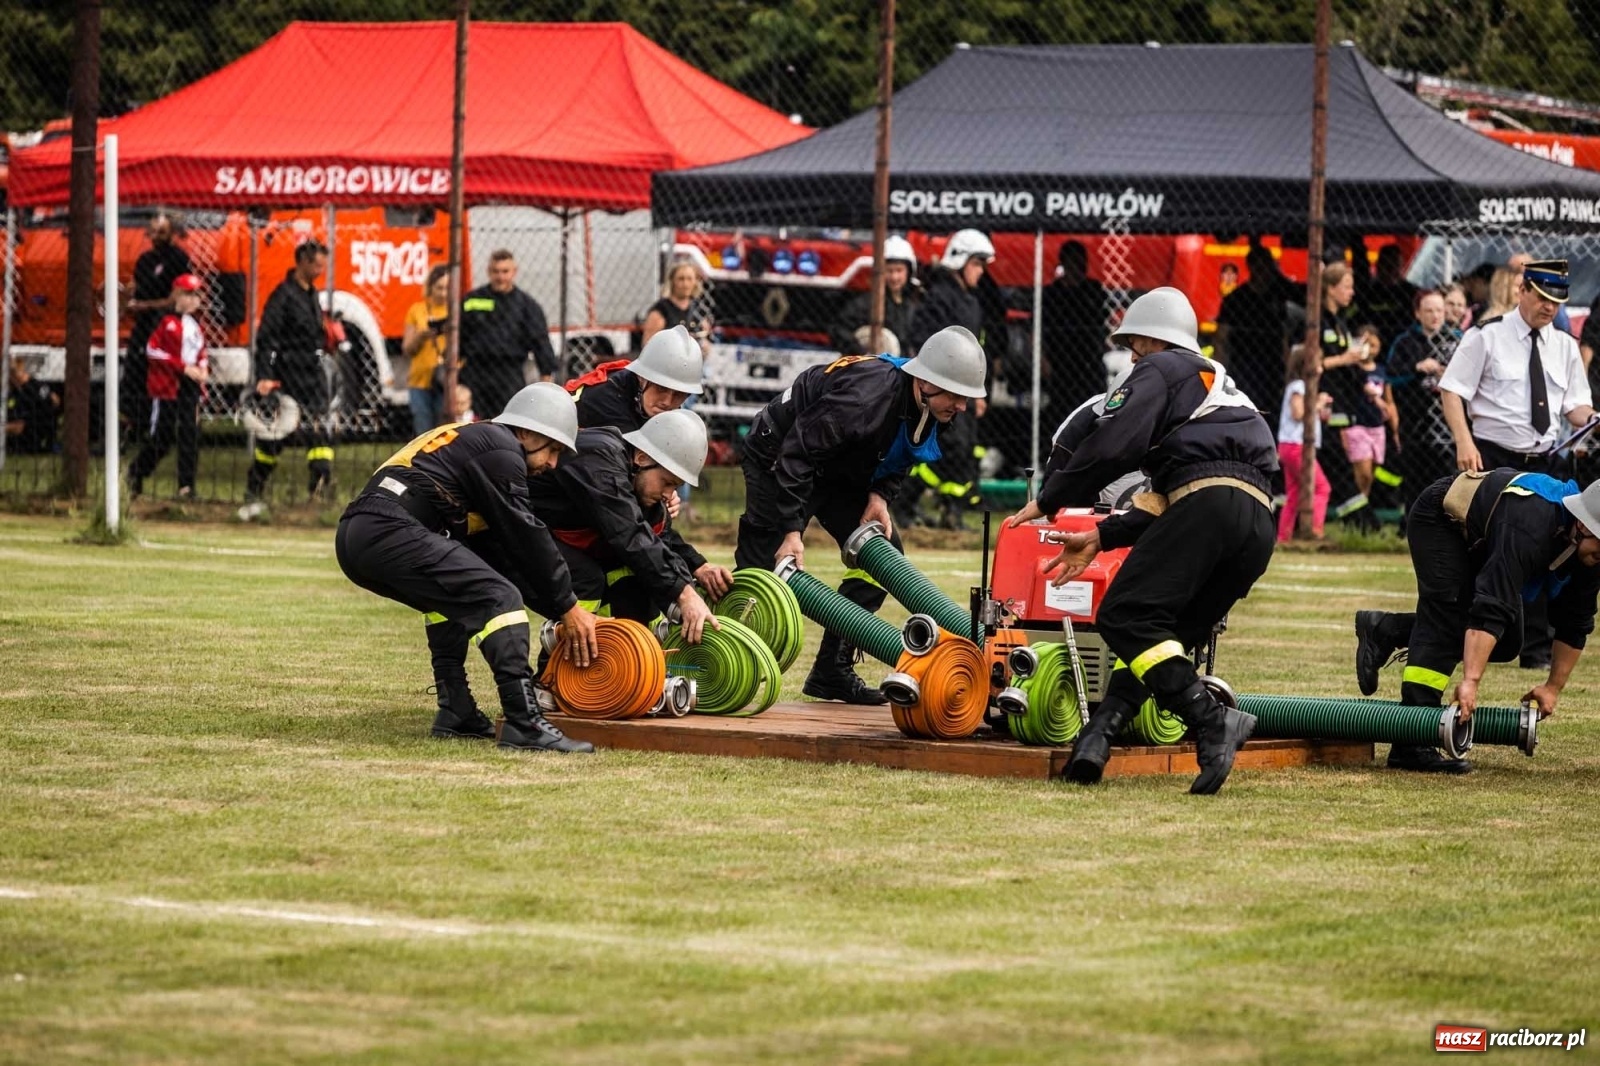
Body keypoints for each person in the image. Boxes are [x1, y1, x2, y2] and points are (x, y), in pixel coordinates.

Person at [1006, 287, 1278, 795]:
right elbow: (1169, 498)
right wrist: (1103, 535)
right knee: (1161, 638)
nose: (1131, 358)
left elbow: (1114, 441)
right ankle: (1099, 734)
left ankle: (1211, 720)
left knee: (1124, 616)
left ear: (1154, 340)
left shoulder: (1163, 368)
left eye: (1134, 346)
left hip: (1208, 506)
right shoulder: (1220, 395)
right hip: (1257, 524)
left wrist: (1052, 498)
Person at [335, 383, 596, 752]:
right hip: (388, 527)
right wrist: (569, 607)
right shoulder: (502, 450)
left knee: (454, 598)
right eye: (552, 448)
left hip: (360, 530)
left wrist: (556, 604)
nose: (553, 463)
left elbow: (503, 554)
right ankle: (525, 723)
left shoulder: (478, 442)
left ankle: (455, 711)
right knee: (500, 598)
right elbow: (525, 534)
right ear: (525, 431)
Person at [736, 326, 987, 703]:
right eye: (957, 395)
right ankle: (726, 664)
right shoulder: (866, 399)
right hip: (780, 457)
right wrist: (792, 531)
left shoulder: (931, 404)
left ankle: (831, 672)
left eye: (966, 397)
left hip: (837, 466)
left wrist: (880, 495)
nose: (962, 406)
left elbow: (907, 450)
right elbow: (798, 453)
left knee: (883, 557)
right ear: (925, 382)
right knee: (762, 571)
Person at [1353, 471, 1600, 773]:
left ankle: (1386, 630)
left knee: (1508, 641)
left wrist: (1553, 687)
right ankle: (1411, 743)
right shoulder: (1531, 528)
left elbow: (1576, 622)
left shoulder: (1589, 553)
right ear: (1583, 524)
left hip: (1483, 539)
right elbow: (1491, 606)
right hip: (1441, 519)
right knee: (1445, 620)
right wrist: (1471, 681)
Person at [1439, 259, 1595, 670]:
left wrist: (1594, 419)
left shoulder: (1563, 345)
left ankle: (1536, 651)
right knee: (1486, 557)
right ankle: (1471, 636)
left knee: (1551, 553)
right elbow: (1452, 391)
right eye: (1542, 298)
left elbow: (1574, 407)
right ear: (1522, 289)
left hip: (1544, 463)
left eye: (1556, 301)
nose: (1549, 308)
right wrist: (1464, 441)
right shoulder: (1486, 336)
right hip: (1493, 456)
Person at [522, 408, 725, 636]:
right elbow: (629, 533)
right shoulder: (601, 459)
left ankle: (631, 656)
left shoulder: (638, 482)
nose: (669, 495)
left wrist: (698, 566)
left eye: (675, 487)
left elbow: (656, 538)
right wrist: (684, 595)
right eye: (667, 482)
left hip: (541, 536)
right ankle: (555, 666)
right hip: (507, 535)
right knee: (585, 578)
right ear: (642, 458)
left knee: (633, 575)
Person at [903, 230, 993, 528]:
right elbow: (924, 341)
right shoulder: (940, 298)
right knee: (948, 447)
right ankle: (906, 501)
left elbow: (976, 351)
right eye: (977, 264)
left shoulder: (972, 302)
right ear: (960, 261)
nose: (980, 272)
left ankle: (951, 511)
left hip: (963, 391)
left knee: (963, 448)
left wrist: (978, 393)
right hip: (941, 390)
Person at [241, 240, 335, 517]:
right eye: (316, 264)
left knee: (319, 433)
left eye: (322, 264)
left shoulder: (312, 295)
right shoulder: (282, 297)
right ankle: (254, 488)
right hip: (289, 375)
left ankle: (319, 491)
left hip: (313, 376)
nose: (320, 269)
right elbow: (267, 340)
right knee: (274, 438)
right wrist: (265, 377)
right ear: (302, 262)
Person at [128, 274, 208, 499]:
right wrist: (182, 367)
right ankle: (136, 473)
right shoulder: (165, 321)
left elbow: (200, 351)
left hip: (189, 387)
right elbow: (153, 350)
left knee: (190, 435)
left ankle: (186, 486)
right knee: (162, 437)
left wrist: (202, 367)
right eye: (188, 294)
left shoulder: (194, 325)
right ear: (176, 295)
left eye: (196, 295)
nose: (193, 300)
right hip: (167, 387)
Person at [459, 250, 557, 419]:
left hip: (509, 373)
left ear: (514, 272)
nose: (500, 277)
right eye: (496, 271)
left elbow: (540, 341)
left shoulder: (527, 305)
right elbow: (459, 335)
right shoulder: (472, 300)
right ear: (489, 271)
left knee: (508, 420)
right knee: (473, 423)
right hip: (475, 371)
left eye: (505, 271)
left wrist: (546, 377)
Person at [1385, 289, 1462, 502]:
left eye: (1439, 310)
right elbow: (1391, 376)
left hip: (1448, 424)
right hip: (1415, 422)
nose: (1435, 315)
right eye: (1429, 310)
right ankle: (1411, 521)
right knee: (1415, 479)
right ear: (1417, 313)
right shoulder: (1405, 342)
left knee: (1448, 480)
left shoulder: (1456, 339)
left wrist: (1450, 374)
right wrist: (1416, 368)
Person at [122, 214, 193, 438]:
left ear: (172, 234)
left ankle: (160, 428)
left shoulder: (179, 259)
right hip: (142, 327)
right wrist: (125, 296)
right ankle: (133, 423)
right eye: (152, 231)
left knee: (161, 377)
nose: (156, 236)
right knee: (134, 373)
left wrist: (144, 306)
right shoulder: (144, 260)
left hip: (166, 326)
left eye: (161, 232)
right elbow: (135, 287)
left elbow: (175, 299)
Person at [1313, 262, 1371, 524]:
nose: (1351, 292)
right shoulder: (1316, 321)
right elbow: (1313, 364)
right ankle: (1357, 517)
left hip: (1343, 400)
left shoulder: (1340, 322)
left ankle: (1351, 514)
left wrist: (1364, 381)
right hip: (1322, 401)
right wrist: (1345, 358)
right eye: (1346, 286)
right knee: (1334, 458)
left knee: (1336, 458)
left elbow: (1346, 361)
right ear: (1331, 288)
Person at [566, 324, 702, 436]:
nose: (667, 402)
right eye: (661, 388)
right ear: (642, 378)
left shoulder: (636, 395)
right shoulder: (609, 403)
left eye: (678, 394)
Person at [1215, 245, 1294, 413]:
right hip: (1244, 367)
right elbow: (1221, 338)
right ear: (1251, 268)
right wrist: (1221, 375)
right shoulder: (1235, 299)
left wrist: (1288, 373)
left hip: (1272, 368)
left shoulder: (1278, 297)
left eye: (1267, 266)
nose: (1263, 272)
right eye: (1259, 267)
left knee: (1270, 413)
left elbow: (1284, 337)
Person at [1039, 239, 1110, 410]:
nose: (1079, 266)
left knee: (1093, 405)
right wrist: (1042, 359)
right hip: (1061, 361)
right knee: (1061, 407)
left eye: (1082, 261)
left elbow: (1102, 321)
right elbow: (1039, 327)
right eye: (1074, 261)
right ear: (1065, 263)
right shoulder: (1052, 293)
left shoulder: (1093, 290)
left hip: (1089, 360)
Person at [1277, 343, 1333, 541]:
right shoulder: (1299, 386)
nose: (1321, 366)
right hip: (1296, 446)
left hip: (1290, 445)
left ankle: (1283, 536)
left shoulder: (1301, 386)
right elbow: (1298, 412)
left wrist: (1319, 411)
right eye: (1318, 361)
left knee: (1294, 492)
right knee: (1322, 488)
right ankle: (1314, 531)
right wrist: (1318, 403)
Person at [830, 236, 920, 356]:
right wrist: (860, 352)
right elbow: (838, 330)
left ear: (909, 272)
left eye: (899, 270)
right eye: (889, 271)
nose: (894, 277)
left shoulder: (914, 304)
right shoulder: (867, 303)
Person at [402, 264, 451, 433]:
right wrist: (422, 335)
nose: (443, 293)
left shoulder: (456, 311)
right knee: (422, 431)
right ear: (430, 287)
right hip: (419, 380)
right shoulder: (417, 310)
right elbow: (407, 349)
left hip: (446, 379)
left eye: (447, 288)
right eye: (439, 288)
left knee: (443, 430)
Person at [1353, 243, 1417, 350]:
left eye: (1394, 265)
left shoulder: (1409, 291)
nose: (1391, 270)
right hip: (1372, 338)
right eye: (1387, 265)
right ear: (1379, 266)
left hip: (1402, 340)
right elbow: (1359, 319)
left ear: (1401, 266)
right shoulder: (1369, 290)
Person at [641, 260, 712, 346]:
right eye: (681, 279)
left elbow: (707, 337)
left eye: (689, 279)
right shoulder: (661, 310)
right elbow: (648, 346)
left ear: (695, 282)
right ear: (672, 281)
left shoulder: (699, 309)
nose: (685, 284)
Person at [4, 357, 59, 454]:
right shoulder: (36, 384)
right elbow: (55, 400)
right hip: (45, 434)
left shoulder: (25, 394)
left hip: (30, 440)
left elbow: (19, 428)